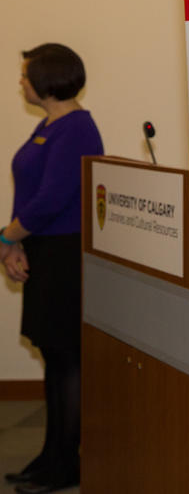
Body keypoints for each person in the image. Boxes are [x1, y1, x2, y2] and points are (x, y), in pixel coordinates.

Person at [1, 44, 102, 494]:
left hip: (65, 254)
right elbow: (28, 191)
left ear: (46, 78)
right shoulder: (49, 125)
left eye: (25, 75)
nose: (20, 82)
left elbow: (54, 197)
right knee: (54, 359)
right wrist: (15, 244)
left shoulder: (77, 128)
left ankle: (67, 467)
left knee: (67, 360)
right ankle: (49, 457)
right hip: (41, 249)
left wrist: (6, 238)